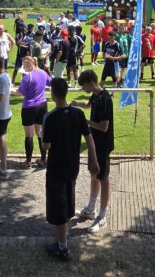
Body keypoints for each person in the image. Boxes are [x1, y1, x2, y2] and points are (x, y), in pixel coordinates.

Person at [42, 77, 98, 261]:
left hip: (56, 168)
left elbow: (46, 146)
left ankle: (62, 247)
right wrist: (93, 160)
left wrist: (43, 136)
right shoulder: (78, 114)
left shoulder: (50, 117)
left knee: (58, 205)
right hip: (73, 166)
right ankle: (63, 238)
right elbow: (89, 138)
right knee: (68, 199)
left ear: (53, 94)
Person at [72, 69, 114, 232]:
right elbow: (88, 105)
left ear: (90, 83)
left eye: (84, 86)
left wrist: (85, 122)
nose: (83, 89)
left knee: (104, 178)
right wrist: (76, 104)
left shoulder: (104, 98)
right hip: (94, 143)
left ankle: (102, 216)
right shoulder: (95, 95)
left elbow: (104, 127)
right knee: (94, 173)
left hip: (102, 145)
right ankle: (90, 209)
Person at [13, 56, 49, 168]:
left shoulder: (27, 77)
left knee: (29, 135)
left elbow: (19, 93)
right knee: (40, 133)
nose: (23, 68)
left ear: (29, 64)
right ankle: (43, 159)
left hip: (29, 108)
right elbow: (50, 82)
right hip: (42, 105)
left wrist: (8, 89)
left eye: (24, 66)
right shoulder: (43, 72)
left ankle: (28, 162)